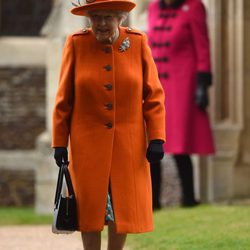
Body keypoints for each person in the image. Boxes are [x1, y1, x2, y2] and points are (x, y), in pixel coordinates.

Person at [52, 0, 166, 249]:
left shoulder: (137, 42)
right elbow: (63, 100)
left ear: (120, 18)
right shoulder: (76, 43)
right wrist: (59, 143)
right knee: (89, 212)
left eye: (107, 17)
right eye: (95, 17)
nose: (101, 24)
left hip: (128, 145)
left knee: (121, 208)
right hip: (86, 147)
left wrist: (157, 137)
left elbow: (154, 95)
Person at [147, 0, 215, 209]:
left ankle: (189, 198)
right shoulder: (153, 7)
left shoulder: (194, 7)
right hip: (156, 82)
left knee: (180, 143)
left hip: (182, 82)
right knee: (151, 140)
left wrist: (202, 84)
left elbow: (202, 46)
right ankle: (152, 202)